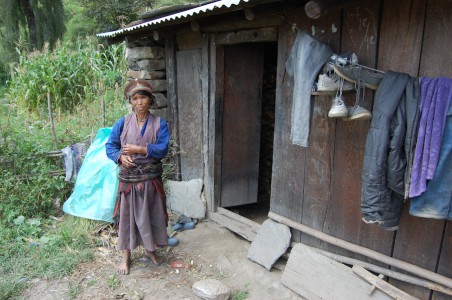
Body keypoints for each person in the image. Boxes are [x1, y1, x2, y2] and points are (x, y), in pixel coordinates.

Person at [106, 79, 170, 275]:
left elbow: (163, 149)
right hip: (129, 181)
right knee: (127, 217)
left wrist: (140, 149)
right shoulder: (122, 123)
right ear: (130, 102)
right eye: (135, 98)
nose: (139, 102)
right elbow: (110, 146)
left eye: (143, 97)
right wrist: (120, 157)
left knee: (151, 214)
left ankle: (151, 250)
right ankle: (126, 257)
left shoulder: (160, 123)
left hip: (150, 179)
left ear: (150, 100)